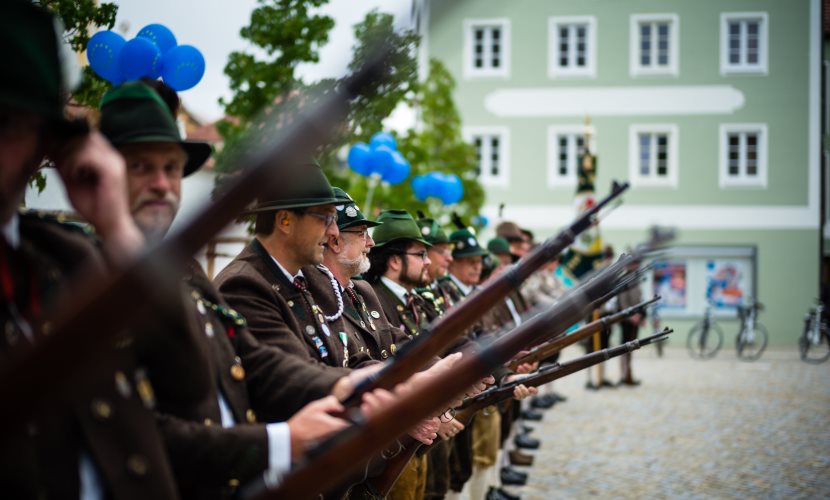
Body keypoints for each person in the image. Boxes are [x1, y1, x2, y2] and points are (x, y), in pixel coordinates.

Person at [98, 80, 393, 499]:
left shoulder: (181, 268)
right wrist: (279, 441)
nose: (163, 184)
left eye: (171, 168)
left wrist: (343, 386)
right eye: (141, 167)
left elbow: (249, 357)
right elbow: (135, 430)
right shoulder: (89, 279)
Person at [0, 2, 175, 497]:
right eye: (142, 166)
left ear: (44, 146)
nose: (162, 184)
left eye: (5, 123)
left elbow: (186, 378)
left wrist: (116, 223)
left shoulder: (67, 260)